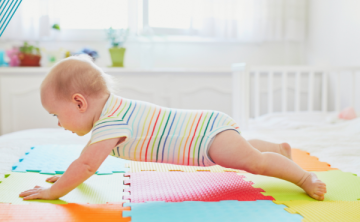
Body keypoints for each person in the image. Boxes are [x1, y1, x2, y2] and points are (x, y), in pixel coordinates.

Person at [19, 55, 327, 201]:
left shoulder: (111, 121)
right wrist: (67, 177)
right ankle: (278, 149)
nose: (59, 125)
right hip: (208, 127)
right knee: (243, 147)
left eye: (56, 115)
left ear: (79, 102)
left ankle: (302, 175)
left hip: (205, 138)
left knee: (254, 164)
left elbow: (86, 165)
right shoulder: (111, 114)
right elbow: (86, 162)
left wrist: (54, 191)